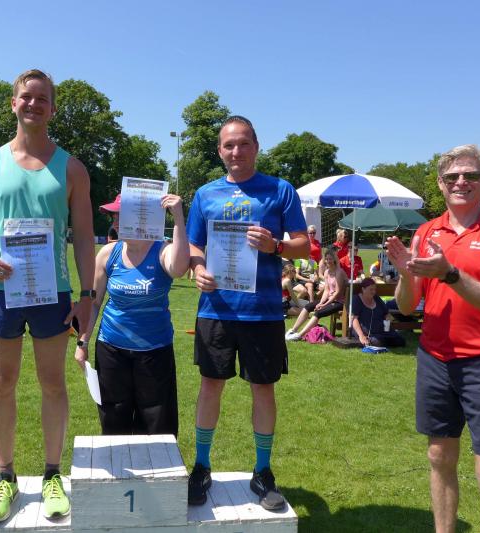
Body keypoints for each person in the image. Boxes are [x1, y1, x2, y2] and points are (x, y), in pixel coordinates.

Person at [0, 69, 96, 523]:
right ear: (14, 104)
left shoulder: (72, 168)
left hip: (52, 293)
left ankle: (53, 474)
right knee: (2, 382)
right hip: (1, 292)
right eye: (26, 97)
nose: (33, 104)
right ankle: (6, 477)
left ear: (52, 108)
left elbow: (85, 236)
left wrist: (87, 294)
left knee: (53, 383)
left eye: (42, 99)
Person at [386, 144, 480, 533]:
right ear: (440, 184)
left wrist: (449, 273)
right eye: (452, 177)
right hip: (435, 358)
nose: (461, 182)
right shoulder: (427, 231)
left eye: (470, 175)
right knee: (439, 457)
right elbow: (407, 306)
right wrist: (406, 274)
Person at [186, 115, 309, 511]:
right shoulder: (205, 194)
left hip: (263, 312)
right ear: (219, 151)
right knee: (210, 386)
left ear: (256, 147)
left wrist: (276, 246)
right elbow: (194, 246)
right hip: (217, 309)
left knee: (263, 390)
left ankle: (262, 471)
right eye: (228, 145)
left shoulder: (280, 190)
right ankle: (201, 466)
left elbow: (305, 245)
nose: (235, 151)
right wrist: (198, 268)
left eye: (243, 144)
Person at [74, 193, 189, 436]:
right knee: (114, 423)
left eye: (120, 216)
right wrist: (82, 343)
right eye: (114, 217)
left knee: (158, 425)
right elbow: (94, 303)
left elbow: (179, 269)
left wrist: (178, 217)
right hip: (111, 350)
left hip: (155, 351)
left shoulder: (162, 250)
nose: (114, 222)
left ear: (140, 217)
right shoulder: (108, 253)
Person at [285, 248, 347, 341]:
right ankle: (293, 330)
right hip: (329, 299)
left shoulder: (339, 272)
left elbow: (337, 292)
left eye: (330, 259)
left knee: (318, 313)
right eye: (326, 259)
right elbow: (326, 290)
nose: (328, 261)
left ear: (334, 260)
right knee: (308, 306)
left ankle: (299, 335)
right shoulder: (327, 272)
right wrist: (321, 302)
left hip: (339, 302)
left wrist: (324, 304)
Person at [349, 277, 405, 347]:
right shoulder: (357, 299)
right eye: (371, 289)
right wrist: (361, 335)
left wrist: (388, 321)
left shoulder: (376, 298)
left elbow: (386, 314)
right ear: (363, 289)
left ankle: (382, 341)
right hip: (366, 331)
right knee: (377, 341)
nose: (373, 292)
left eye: (374, 289)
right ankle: (373, 341)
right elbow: (354, 319)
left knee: (400, 341)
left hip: (381, 330)